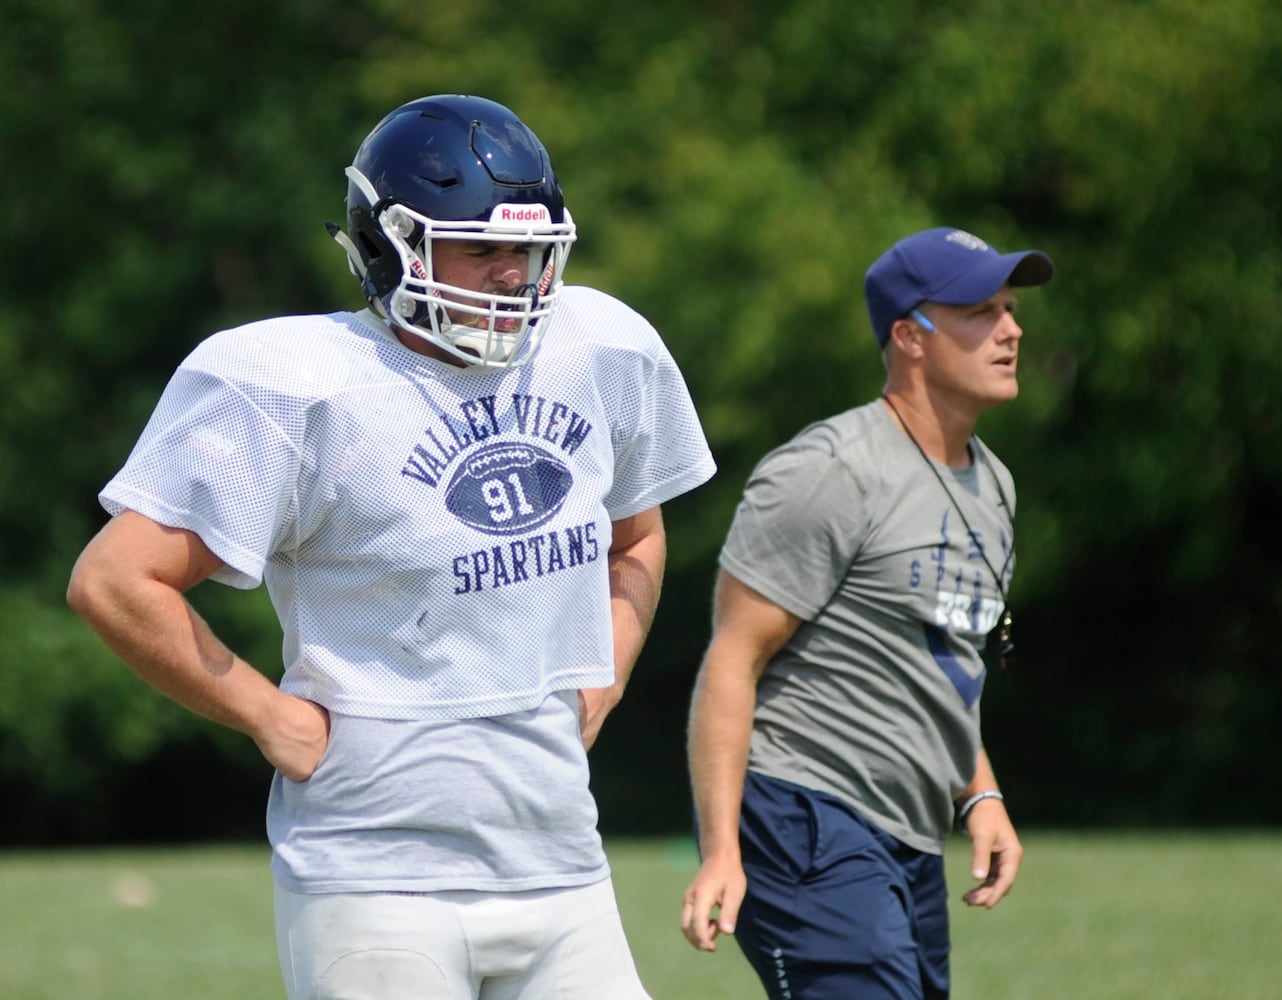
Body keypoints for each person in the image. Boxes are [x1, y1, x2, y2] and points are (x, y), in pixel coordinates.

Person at [67, 93, 715, 1000]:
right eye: (478, 247)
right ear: (388, 243)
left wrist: (605, 670)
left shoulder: (600, 348)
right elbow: (116, 581)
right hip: (374, 877)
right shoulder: (301, 383)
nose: (508, 276)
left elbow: (637, 537)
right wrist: (271, 718)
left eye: (526, 251)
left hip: (562, 859)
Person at [680, 226, 1054, 998]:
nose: (1012, 329)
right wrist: (721, 851)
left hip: (911, 834)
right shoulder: (829, 471)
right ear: (910, 337)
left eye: (1011, 308)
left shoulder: (996, 486)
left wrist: (979, 793)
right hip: (804, 816)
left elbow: (945, 661)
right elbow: (733, 659)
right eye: (982, 311)